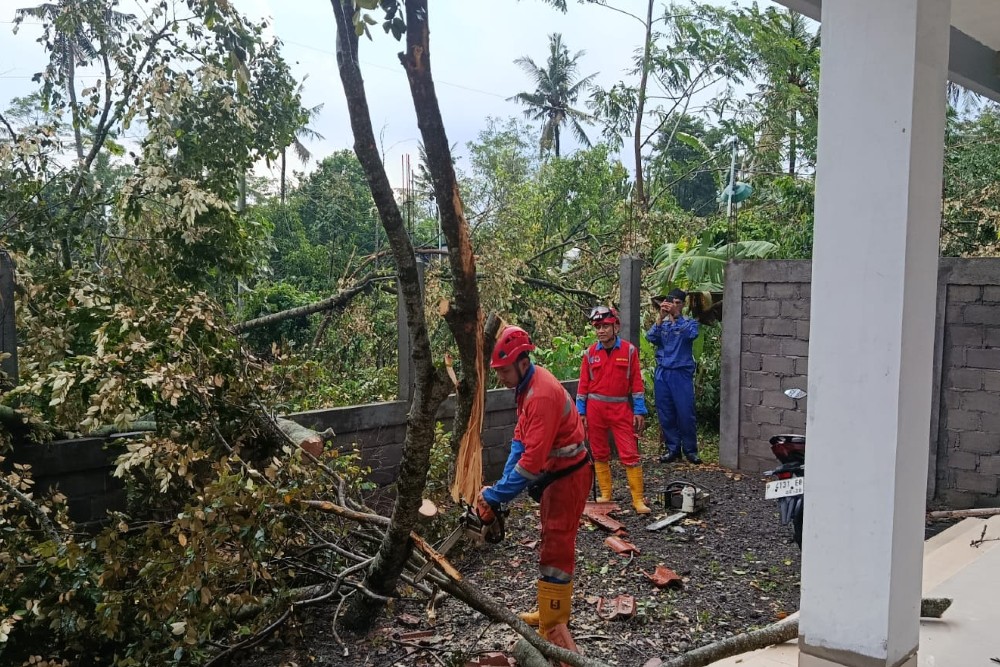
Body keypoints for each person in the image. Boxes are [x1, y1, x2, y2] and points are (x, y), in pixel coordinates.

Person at [477, 325, 592, 641]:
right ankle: (548, 610)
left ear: (522, 363)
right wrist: (500, 487)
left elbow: (532, 462)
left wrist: (497, 496)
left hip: (568, 475)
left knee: (557, 545)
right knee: (549, 539)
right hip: (556, 474)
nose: (500, 377)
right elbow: (520, 441)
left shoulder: (540, 394)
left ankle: (553, 625)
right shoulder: (525, 388)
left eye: (504, 370)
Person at [576, 306, 651, 514]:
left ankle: (637, 500)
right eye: (598, 327)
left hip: (620, 408)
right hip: (595, 409)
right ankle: (606, 495)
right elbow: (583, 386)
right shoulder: (590, 354)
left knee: (630, 452)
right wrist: (581, 412)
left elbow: (636, 383)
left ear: (615, 327)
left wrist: (639, 410)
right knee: (599, 452)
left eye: (605, 326)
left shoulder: (629, 351)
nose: (601, 330)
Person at [647, 289, 702, 464]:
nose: (674, 306)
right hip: (663, 373)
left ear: (683, 305)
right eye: (672, 303)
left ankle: (690, 451)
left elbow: (692, 334)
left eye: (678, 303)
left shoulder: (689, 323)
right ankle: (673, 449)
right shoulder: (663, 325)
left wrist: (677, 317)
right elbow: (650, 337)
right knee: (666, 413)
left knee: (685, 413)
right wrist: (660, 317)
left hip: (681, 373)